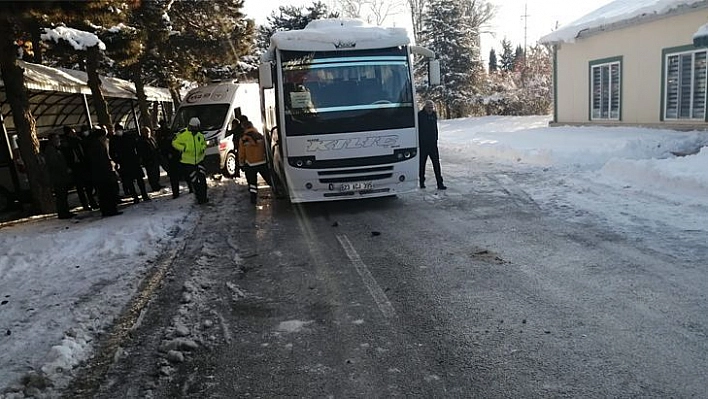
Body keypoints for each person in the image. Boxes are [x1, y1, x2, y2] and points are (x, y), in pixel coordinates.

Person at [83, 126, 121, 216]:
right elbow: (102, 159)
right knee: (107, 192)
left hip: (101, 173)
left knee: (104, 193)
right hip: (103, 173)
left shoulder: (95, 144)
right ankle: (110, 209)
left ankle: (107, 209)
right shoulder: (97, 146)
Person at [111, 123, 150, 204]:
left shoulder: (129, 136)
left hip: (133, 160)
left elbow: (137, 147)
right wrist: (117, 160)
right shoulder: (114, 139)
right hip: (123, 162)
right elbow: (112, 152)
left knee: (139, 180)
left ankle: (144, 194)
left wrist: (138, 157)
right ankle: (135, 196)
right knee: (129, 181)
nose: (119, 131)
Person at [61, 126, 98, 211]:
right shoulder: (66, 143)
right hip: (75, 166)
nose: (74, 133)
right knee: (80, 187)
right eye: (72, 132)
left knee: (88, 185)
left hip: (83, 164)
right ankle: (86, 204)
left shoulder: (78, 140)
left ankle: (91, 202)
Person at [172, 117, 208, 204]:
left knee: (203, 181)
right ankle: (199, 198)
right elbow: (174, 142)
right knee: (195, 182)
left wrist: (203, 148)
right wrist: (183, 148)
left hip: (199, 161)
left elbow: (203, 143)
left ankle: (204, 197)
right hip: (188, 163)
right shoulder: (183, 134)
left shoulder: (199, 135)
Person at [238, 120, 271, 204]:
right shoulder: (260, 136)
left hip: (250, 164)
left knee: (252, 183)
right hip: (262, 162)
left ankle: (253, 198)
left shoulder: (243, 139)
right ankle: (277, 191)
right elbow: (266, 149)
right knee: (269, 179)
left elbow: (241, 153)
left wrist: (241, 164)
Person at [43, 133, 75, 219]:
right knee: (61, 195)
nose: (58, 140)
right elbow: (54, 164)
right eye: (56, 139)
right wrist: (64, 169)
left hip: (60, 176)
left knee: (63, 195)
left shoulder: (56, 149)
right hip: (58, 177)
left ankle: (65, 211)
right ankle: (63, 212)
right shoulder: (51, 150)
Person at [418, 100, 446, 190]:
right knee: (422, 164)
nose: (430, 109)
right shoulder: (420, 115)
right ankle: (421, 181)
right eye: (429, 108)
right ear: (425, 107)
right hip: (423, 144)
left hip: (433, 144)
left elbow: (435, 127)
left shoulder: (434, 114)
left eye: (431, 108)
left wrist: (436, 138)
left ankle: (440, 183)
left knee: (436, 164)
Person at [137, 126, 164, 192]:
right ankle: (154, 186)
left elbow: (156, 146)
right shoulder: (141, 141)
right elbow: (142, 152)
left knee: (156, 173)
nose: (148, 133)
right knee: (151, 174)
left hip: (155, 158)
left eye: (148, 131)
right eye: (146, 132)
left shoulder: (152, 139)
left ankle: (157, 184)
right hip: (149, 160)